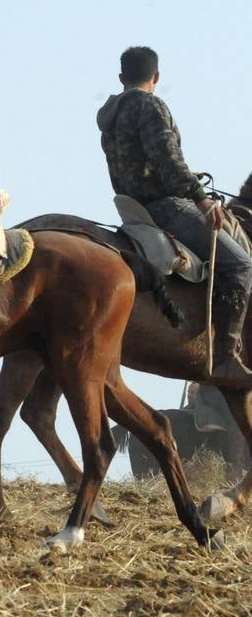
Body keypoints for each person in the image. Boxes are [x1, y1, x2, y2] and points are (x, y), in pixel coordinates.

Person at [97, 46, 252, 384]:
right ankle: (228, 358)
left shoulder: (111, 115)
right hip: (167, 207)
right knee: (241, 264)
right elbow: (166, 160)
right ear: (156, 77)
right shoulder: (150, 105)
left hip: (133, 207)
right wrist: (201, 199)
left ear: (122, 77)